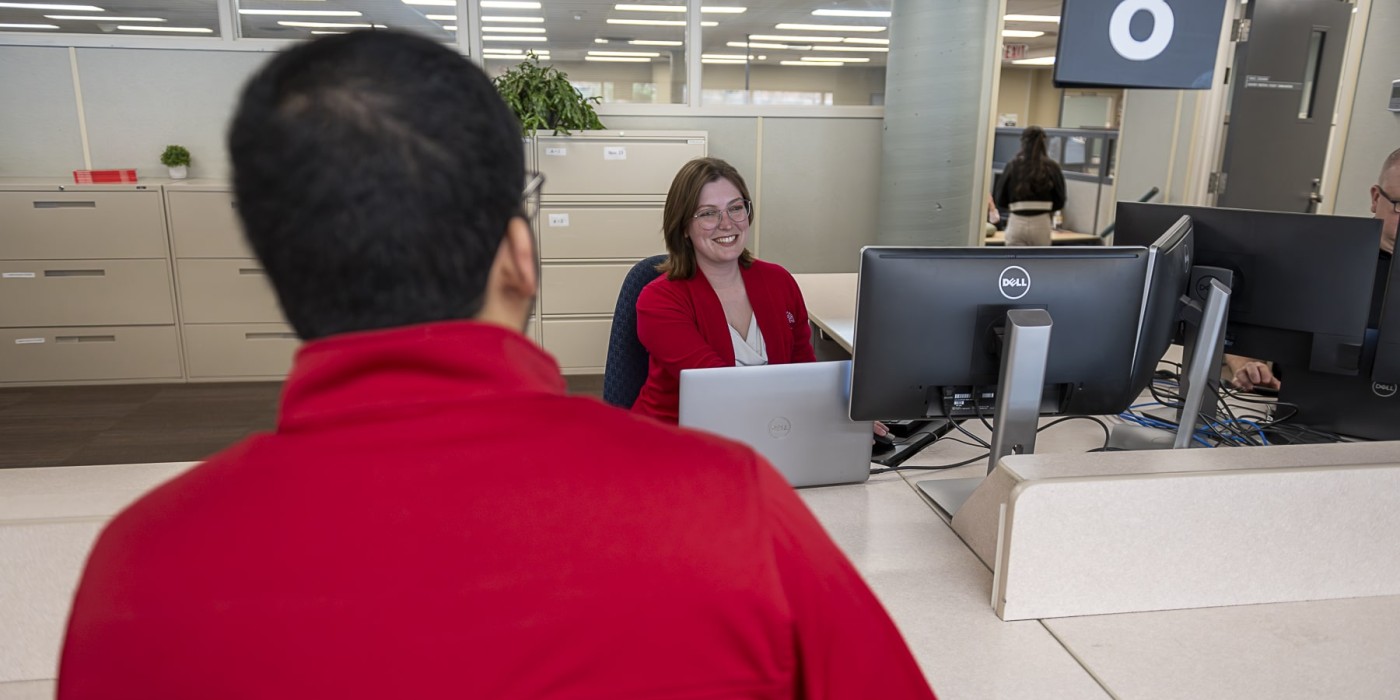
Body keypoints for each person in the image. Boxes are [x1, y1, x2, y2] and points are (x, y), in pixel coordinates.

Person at [57, 32, 936, 699]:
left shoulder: (134, 570)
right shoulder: (732, 508)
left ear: (285, 274)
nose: (726, 223)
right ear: (521, 255)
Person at [631, 157, 818, 424]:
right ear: (684, 226)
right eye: (708, 213)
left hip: (768, 432)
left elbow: (805, 374)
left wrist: (838, 417)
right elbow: (719, 388)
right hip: (678, 444)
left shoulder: (779, 281)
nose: (727, 223)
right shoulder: (659, 300)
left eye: (736, 208)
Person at [1226, 147, 1398, 392]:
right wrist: (1250, 366)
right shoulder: (1320, 258)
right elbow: (1239, 335)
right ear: (1375, 198)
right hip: (1295, 406)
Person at [993, 125, 1067, 246]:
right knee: (1038, 263)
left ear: (1023, 142)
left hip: (1017, 222)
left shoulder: (1013, 165)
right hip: (1041, 223)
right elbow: (1060, 200)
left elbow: (1000, 198)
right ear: (1044, 143)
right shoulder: (1052, 167)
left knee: (1015, 262)